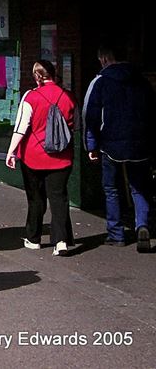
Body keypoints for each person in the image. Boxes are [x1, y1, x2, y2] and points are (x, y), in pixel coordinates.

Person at [83, 44, 156, 252]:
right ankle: (142, 225)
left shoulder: (100, 82)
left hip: (110, 145)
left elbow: (91, 117)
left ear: (104, 58)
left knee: (111, 188)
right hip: (140, 144)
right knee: (139, 187)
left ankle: (116, 234)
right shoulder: (142, 82)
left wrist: (92, 145)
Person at [5, 60, 76, 257]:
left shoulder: (31, 97)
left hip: (33, 156)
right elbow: (75, 124)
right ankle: (60, 240)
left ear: (37, 76)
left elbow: (21, 127)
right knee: (59, 197)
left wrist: (11, 151)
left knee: (35, 198)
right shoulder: (68, 96)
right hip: (62, 156)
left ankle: (34, 238)